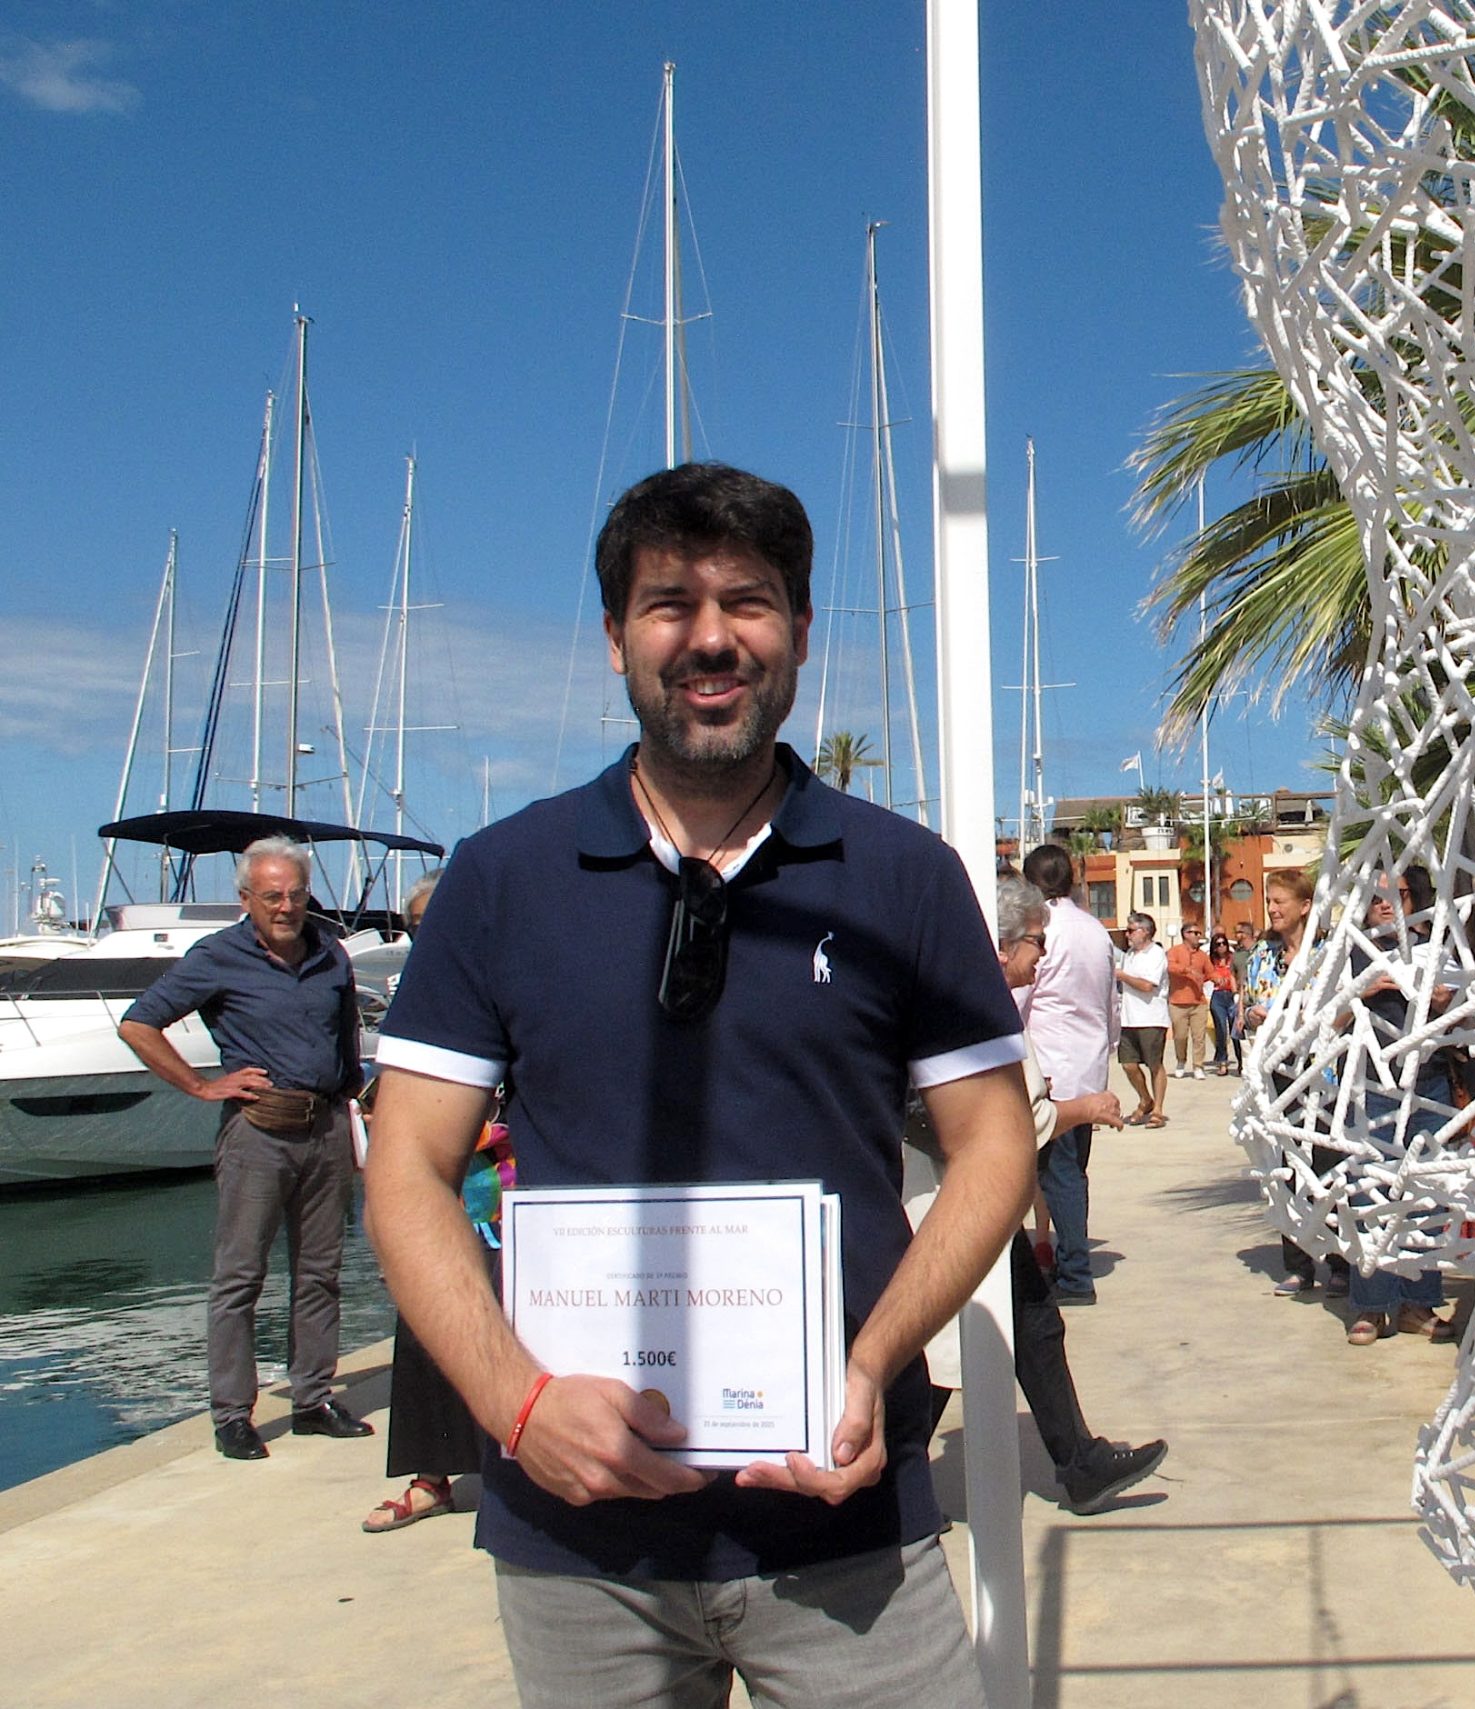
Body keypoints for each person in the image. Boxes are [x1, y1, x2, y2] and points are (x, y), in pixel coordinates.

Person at [364, 463, 1035, 1709]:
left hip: (844, 1518)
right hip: (577, 1544)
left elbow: (993, 1142)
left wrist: (872, 1357)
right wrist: (516, 1407)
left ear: (799, 633)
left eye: (751, 601)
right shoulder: (503, 878)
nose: (712, 636)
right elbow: (404, 1166)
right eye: (669, 602)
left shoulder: (904, 874)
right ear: (616, 634)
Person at [910, 877, 1168, 1513]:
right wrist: (1077, 1108)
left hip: (972, 1201)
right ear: (1001, 947)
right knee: (937, 1346)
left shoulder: (972, 1003)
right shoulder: (967, 1007)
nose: (1042, 956)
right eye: (1034, 943)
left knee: (1028, 1323)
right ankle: (887, 1482)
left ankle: (1078, 1462)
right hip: (956, 1203)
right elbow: (986, 1123)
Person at [118, 834, 372, 1461]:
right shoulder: (217, 957)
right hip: (258, 1132)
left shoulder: (331, 954)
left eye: (296, 894)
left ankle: (311, 1398)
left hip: (325, 1128)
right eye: (272, 896)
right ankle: (232, 1413)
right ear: (245, 899)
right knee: (239, 1278)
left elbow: (345, 1037)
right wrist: (202, 1087)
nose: (286, 907)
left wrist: (355, 1105)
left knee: (321, 1274)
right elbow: (137, 1024)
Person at [364, 870, 509, 1533]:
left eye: (439, 922)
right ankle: (429, 1476)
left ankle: (517, 1466)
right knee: (428, 1316)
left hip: (507, 1183)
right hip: (443, 1184)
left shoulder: (506, 975)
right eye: (419, 925)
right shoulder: (411, 997)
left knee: (516, 1314)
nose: (430, 934)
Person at [1343, 869, 1456, 1346]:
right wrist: (1360, 993)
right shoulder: (1351, 954)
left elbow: (1460, 1017)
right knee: (1370, 1194)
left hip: (1428, 1086)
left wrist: (1437, 1001)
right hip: (1372, 1087)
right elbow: (1323, 1022)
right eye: (1377, 898)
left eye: (1398, 895)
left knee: (1426, 1197)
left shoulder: (1438, 950)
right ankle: (1371, 1306)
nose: (1387, 905)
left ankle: (1417, 1303)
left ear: (1415, 900)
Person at [1020, 842, 1116, 1307]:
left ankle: (1076, 1273)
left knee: (1057, 1175)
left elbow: (1022, 996)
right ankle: (1068, 1259)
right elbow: (1110, 1001)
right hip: (1088, 1063)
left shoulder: (1041, 930)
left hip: (1049, 1064)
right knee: (1071, 1171)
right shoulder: (1095, 929)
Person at [1245, 868, 1347, 1298]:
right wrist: (1251, 1017)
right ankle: (1298, 1263)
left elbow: (1344, 1009)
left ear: (1305, 906)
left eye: (1280, 902)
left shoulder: (1331, 955)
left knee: (1329, 1169)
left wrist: (1306, 1025)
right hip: (1275, 1077)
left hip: (1323, 1077)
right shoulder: (1260, 957)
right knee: (1285, 1168)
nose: (1272, 909)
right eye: (1269, 902)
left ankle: (1341, 1262)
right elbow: (1248, 1007)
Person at [1116, 912, 1171, 1127]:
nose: (1127, 935)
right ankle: (1145, 1098)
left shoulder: (1156, 954)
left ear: (1146, 931)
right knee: (1128, 1065)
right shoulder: (1128, 954)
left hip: (1151, 1018)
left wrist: (1122, 976)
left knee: (1154, 1064)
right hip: (1129, 1018)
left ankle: (1157, 1108)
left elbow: (1148, 986)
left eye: (1131, 930)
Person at [1164, 920, 1211, 1080]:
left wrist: (1219, 979)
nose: (1198, 936)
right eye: (1195, 933)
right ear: (1185, 934)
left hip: (1198, 1002)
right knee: (1180, 1036)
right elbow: (1170, 967)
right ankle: (1180, 1061)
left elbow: (1210, 973)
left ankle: (1198, 1065)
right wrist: (1187, 970)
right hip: (1177, 1002)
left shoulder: (1202, 956)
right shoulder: (1174, 951)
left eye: (1199, 933)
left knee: (1199, 1037)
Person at [1205, 934, 1240, 1074]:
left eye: (1223, 943)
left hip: (1232, 995)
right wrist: (1214, 979)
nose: (1221, 947)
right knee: (1220, 1030)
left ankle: (1241, 1061)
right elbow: (1205, 974)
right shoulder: (1211, 960)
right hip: (1218, 995)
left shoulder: (1233, 957)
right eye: (1218, 944)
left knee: (1235, 1030)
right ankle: (1222, 1062)